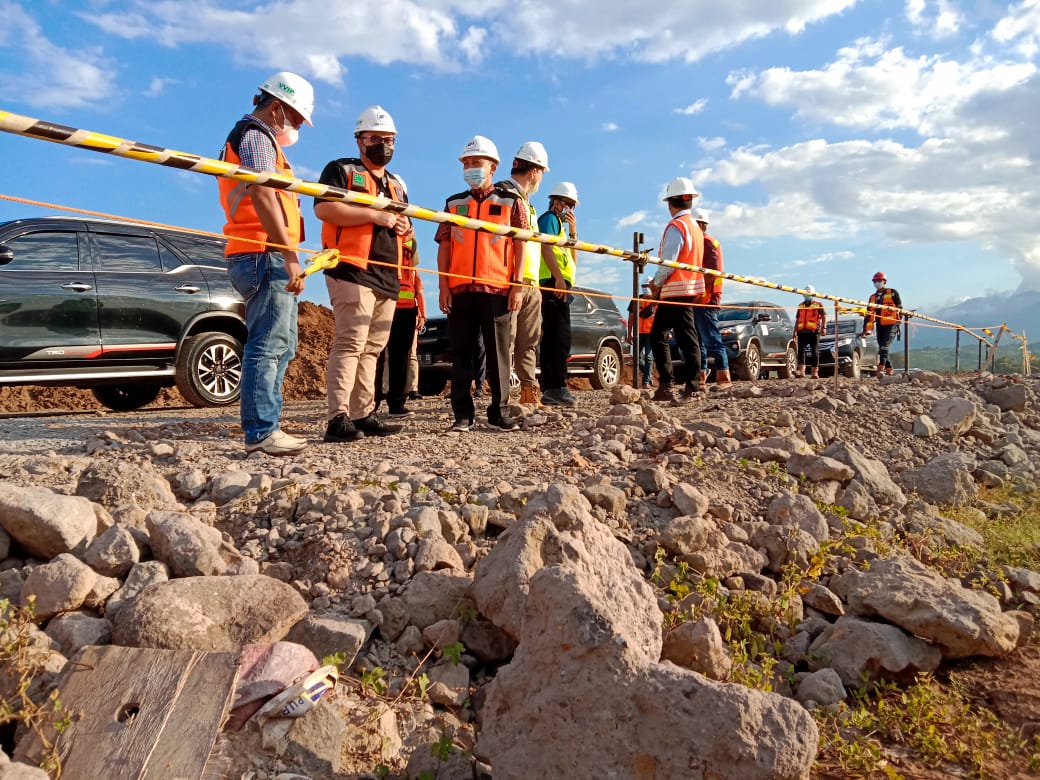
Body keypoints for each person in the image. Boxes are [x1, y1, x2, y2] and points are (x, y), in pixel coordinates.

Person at [218, 71, 314, 456]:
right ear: (276, 107)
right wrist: (288, 253)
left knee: (283, 342)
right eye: (294, 118)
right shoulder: (257, 135)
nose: (295, 127)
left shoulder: (255, 136)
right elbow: (263, 191)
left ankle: (267, 426)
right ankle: (261, 431)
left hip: (260, 251)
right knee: (268, 343)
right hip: (263, 251)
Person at [314, 105, 410, 442]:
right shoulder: (341, 170)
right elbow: (324, 208)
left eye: (389, 139)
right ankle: (337, 416)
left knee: (372, 347)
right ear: (359, 140)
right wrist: (375, 216)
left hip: (387, 273)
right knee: (350, 342)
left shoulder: (397, 184)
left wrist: (401, 224)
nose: (383, 145)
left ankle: (363, 412)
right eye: (375, 138)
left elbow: (406, 226)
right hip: (351, 267)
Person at [436, 135, 526, 431]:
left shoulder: (512, 202)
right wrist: (443, 286)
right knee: (460, 353)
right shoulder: (453, 203)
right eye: (467, 163)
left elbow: (521, 246)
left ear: (493, 166)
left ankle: (499, 411)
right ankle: (462, 414)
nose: (471, 168)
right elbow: (445, 245)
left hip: (498, 289)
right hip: (461, 290)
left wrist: (518, 284)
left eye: (477, 162)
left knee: (499, 354)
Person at [498, 142, 549, 406]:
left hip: (530, 283)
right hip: (509, 282)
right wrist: (515, 283)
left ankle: (529, 390)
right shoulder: (504, 195)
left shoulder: (527, 204)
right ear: (534, 171)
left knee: (528, 342)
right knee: (505, 343)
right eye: (542, 172)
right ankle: (502, 397)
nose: (541, 178)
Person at [648, 177, 705, 403]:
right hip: (688, 289)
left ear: (669, 203)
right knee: (683, 337)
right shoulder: (695, 228)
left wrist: (655, 284)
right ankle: (679, 385)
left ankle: (680, 386)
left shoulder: (676, 226)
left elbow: (668, 262)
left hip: (675, 291)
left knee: (662, 337)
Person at [538, 181, 580, 406]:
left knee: (557, 336)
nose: (571, 210)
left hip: (560, 283)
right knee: (559, 338)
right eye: (569, 204)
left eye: (573, 206)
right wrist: (558, 279)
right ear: (557, 202)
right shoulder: (549, 219)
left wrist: (573, 232)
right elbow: (546, 248)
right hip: (553, 284)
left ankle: (551, 387)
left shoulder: (561, 227)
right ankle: (555, 386)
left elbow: (573, 261)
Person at [375, 236, 426, 416]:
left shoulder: (411, 240)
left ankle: (397, 403)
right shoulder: (380, 231)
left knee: (401, 357)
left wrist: (420, 312)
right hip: (382, 298)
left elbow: (413, 271)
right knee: (376, 353)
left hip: (405, 307)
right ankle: (368, 404)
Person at [693, 208, 731, 389]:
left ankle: (724, 378)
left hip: (706, 301)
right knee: (700, 341)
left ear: (700, 224)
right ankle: (701, 376)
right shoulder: (700, 244)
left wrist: (698, 293)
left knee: (712, 340)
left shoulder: (708, 243)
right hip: (699, 300)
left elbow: (711, 273)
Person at [861, 271, 903, 377]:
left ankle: (880, 368)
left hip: (892, 323)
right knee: (882, 347)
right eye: (875, 281)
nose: (877, 283)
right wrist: (865, 329)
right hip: (880, 324)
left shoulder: (892, 292)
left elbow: (900, 308)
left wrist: (899, 321)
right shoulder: (872, 298)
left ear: (884, 282)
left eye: (879, 281)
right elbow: (869, 314)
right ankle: (889, 369)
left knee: (885, 346)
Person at [627, 278, 657, 388]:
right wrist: (629, 334)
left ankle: (645, 383)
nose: (646, 288)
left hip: (651, 333)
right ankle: (648, 374)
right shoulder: (635, 300)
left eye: (647, 286)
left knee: (649, 357)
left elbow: (662, 318)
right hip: (638, 333)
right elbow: (631, 318)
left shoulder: (656, 301)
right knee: (636, 358)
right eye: (644, 286)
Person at [795, 285, 827, 378]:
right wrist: (795, 332)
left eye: (808, 294)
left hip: (814, 332)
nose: (806, 296)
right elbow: (798, 319)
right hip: (802, 332)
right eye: (804, 294)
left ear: (812, 294)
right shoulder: (800, 305)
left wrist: (824, 328)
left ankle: (814, 372)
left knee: (815, 352)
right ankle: (801, 372)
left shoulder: (818, 304)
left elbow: (824, 316)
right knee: (801, 351)